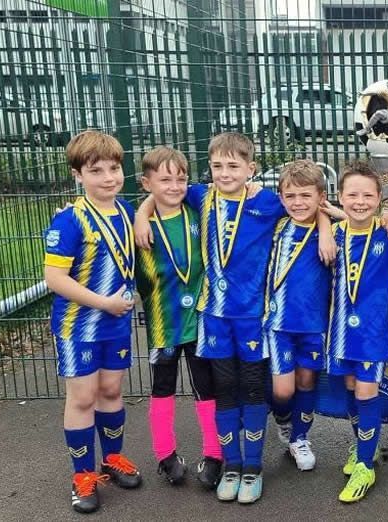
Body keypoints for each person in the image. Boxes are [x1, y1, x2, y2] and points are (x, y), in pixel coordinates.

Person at [134, 133, 336, 503]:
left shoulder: (265, 201)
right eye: (217, 166)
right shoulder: (200, 196)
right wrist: (141, 213)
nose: (224, 173)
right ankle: (232, 464)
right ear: (209, 169)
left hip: (253, 318)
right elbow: (163, 191)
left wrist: (325, 229)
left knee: (253, 390)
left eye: (233, 166)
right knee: (225, 391)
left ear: (250, 169)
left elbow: (310, 208)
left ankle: (254, 467)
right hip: (213, 318)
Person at [44, 130, 141, 514]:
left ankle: (112, 458)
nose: (108, 177)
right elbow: (55, 279)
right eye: (96, 170)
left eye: (114, 168)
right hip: (78, 326)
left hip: (115, 324)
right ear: (78, 176)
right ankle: (82, 475)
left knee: (112, 392)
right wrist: (104, 302)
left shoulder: (128, 212)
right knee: (83, 397)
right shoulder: (68, 221)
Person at [135, 146, 221, 488]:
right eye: (165, 179)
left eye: (181, 178)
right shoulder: (135, 223)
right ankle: (165, 455)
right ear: (146, 182)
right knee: (162, 389)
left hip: (198, 320)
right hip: (162, 323)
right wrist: (142, 214)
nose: (174, 186)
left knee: (206, 389)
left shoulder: (196, 206)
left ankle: (214, 454)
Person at [326, 161, 388, 503]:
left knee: (367, 392)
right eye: (352, 194)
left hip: (374, 332)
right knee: (351, 388)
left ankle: (365, 467)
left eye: (367, 195)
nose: (359, 201)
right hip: (340, 331)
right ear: (340, 197)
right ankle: (361, 448)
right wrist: (323, 222)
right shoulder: (331, 236)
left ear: (380, 198)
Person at [264, 159, 332, 471]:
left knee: (306, 381)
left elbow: (361, 220)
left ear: (321, 196)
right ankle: (282, 418)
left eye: (306, 196)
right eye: (290, 196)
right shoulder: (276, 223)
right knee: (283, 390)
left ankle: (300, 438)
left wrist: (326, 223)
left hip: (314, 324)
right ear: (280, 198)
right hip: (278, 324)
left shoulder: (333, 231)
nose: (297, 202)